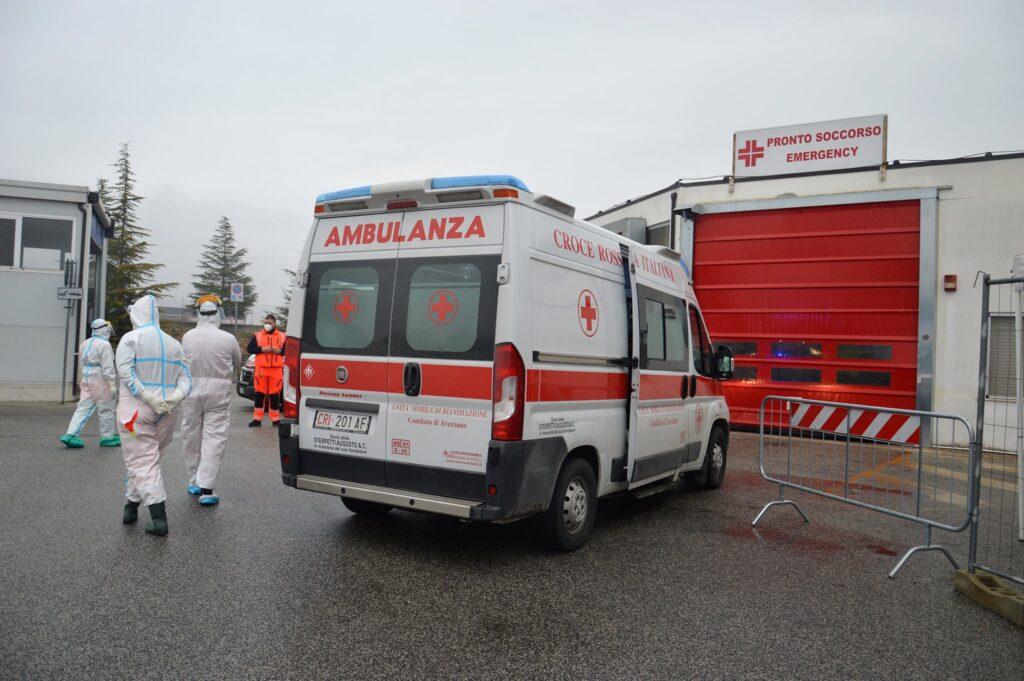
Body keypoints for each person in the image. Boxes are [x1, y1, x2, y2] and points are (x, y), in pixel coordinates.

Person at [116, 294, 192, 536]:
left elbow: (126, 373)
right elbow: (186, 378)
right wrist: (174, 397)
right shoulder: (174, 343)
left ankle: (159, 520)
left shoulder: (131, 339)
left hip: (135, 410)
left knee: (142, 462)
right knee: (148, 460)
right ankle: (130, 505)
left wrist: (148, 397)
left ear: (135, 314)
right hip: (168, 412)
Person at [180, 295, 242, 507]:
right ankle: (207, 488)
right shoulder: (228, 339)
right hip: (218, 393)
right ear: (219, 312)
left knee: (191, 436)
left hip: (191, 391)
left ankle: (193, 481)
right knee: (214, 438)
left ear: (198, 313)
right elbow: (237, 362)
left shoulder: (187, 336)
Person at [60, 319, 120, 449]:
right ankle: (107, 437)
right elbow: (108, 365)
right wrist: (112, 384)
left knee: (83, 407)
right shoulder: (104, 345)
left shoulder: (85, 343)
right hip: (100, 377)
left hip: (87, 376)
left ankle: (70, 434)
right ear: (104, 329)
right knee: (106, 408)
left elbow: (82, 362)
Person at [247, 313, 285, 427]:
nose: (267, 325)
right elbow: (250, 349)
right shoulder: (258, 335)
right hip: (261, 370)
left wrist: (281, 352)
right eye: (266, 322)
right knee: (259, 395)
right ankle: (257, 419)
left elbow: (289, 350)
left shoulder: (282, 336)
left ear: (274, 324)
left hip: (276, 370)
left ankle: (275, 419)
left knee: (274, 396)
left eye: (270, 323)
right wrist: (262, 349)